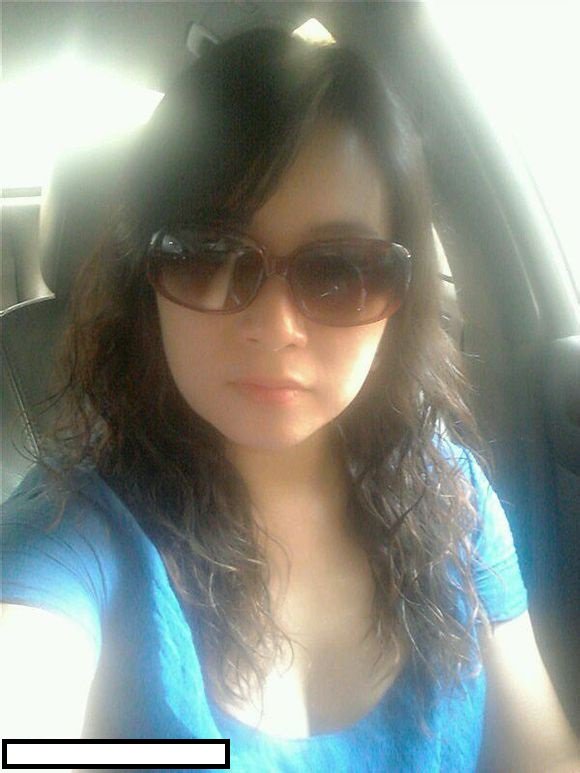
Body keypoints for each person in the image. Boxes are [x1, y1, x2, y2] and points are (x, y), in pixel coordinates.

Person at [1, 25, 578, 773]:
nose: (275, 328)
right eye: (208, 255)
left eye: (339, 271)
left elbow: (541, 756)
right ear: (148, 280)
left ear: (401, 298)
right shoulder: (73, 534)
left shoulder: (449, 492)